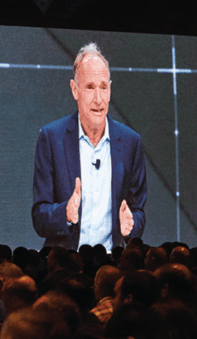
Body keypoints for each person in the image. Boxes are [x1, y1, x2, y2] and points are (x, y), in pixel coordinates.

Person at [32, 43, 147, 250]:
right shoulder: (51, 138)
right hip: (66, 262)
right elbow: (39, 216)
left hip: (112, 262)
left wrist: (131, 226)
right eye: (90, 87)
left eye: (103, 87)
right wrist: (65, 213)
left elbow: (138, 212)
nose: (98, 99)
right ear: (75, 90)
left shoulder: (131, 142)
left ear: (110, 90)